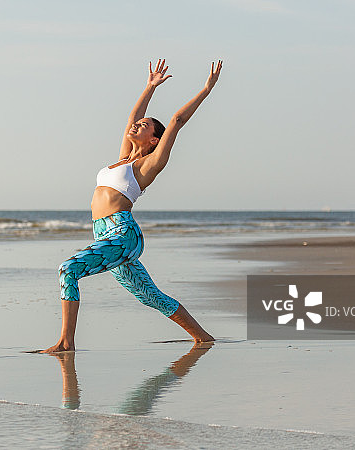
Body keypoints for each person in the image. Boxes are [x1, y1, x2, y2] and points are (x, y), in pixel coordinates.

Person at [41, 58, 223, 353]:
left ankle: (66, 342)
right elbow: (132, 116)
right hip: (104, 234)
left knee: (68, 269)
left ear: (154, 139)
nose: (137, 124)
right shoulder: (123, 157)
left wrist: (206, 90)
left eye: (145, 125)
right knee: (150, 296)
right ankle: (203, 338)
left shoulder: (147, 165)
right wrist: (150, 86)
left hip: (122, 233)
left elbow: (176, 121)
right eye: (139, 123)